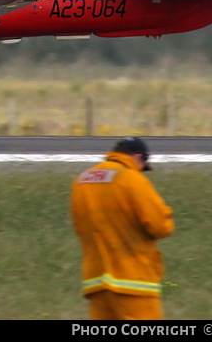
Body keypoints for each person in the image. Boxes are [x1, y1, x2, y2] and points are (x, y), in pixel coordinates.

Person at [70, 137, 174, 320]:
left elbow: (79, 227)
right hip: (133, 282)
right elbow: (160, 227)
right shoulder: (131, 179)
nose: (142, 171)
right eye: (143, 166)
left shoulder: (81, 182)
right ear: (137, 157)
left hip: (97, 283)